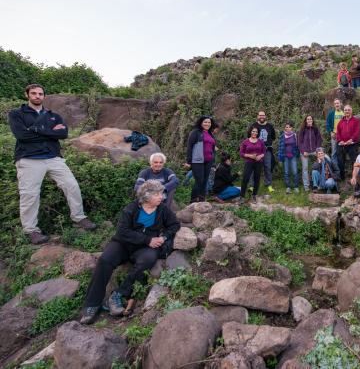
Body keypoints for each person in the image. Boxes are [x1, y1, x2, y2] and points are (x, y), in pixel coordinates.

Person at [80, 180, 180, 324]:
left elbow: (175, 225)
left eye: (161, 194)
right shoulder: (130, 209)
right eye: (157, 194)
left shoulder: (163, 209)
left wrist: (163, 237)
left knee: (148, 259)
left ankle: (117, 294)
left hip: (144, 248)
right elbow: (122, 232)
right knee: (105, 260)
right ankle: (92, 304)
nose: (162, 197)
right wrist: (147, 240)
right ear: (146, 196)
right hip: (123, 244)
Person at [8, 84, 96, 244]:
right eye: (33, 93)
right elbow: (22, 136)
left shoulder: (53, 116)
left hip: (53, 158)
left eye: (40, 94)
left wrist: (35, 129)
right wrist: (50, 132)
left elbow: (63, 133)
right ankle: (31, 231)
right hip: (29, 159)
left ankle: (79, 218)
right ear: (27, 94)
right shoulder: (16, 114)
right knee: (30, 195)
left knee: (72, 185)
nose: (37, 96)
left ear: (44, 96)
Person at [185, 115, 216, 203]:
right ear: (201, 123)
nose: (207, 124)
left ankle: (202, 199)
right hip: (197, 160)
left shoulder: (210, 134)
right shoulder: (195, 132)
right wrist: (188, 161)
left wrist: (213, 161)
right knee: (199, 180)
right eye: (205, 122)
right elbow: (189, 147)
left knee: (205, 180)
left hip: (208, 161)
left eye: (209, 122)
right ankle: (193, 200)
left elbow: (213, 149)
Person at [248, 111, 276, 193]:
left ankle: (269, 185)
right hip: (255, 151)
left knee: (268, 167)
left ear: (265, 116)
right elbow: (249, 136)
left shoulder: (270, 126)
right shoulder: (254, 125)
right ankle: (252, 186)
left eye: (263, 115)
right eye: (260, 115)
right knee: (253, 168)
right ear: (257, 116)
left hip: (267, 151)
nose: (262, 117)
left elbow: (273, 137)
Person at [240, 127, 266, 203]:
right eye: (253, 131)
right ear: (250, 132)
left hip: (258, 162)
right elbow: (241, 153)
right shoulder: (245, 142)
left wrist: (260, 156)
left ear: (258, 133)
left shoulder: (260, 142)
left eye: (256, 132)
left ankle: (254, 195)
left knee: (257, 179)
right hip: (249, 162)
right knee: (245, 178)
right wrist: (249, 155)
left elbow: (264, 152)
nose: (254, 133)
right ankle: (242, 196)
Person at [335, 105, 360, 180]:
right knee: (340, 160)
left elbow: (357, 132)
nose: (347, 111)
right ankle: (342, 177)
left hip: (352, 144)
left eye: (348, 110)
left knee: (354, 160)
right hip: (342, 144)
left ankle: (354, 177)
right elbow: (338, 132)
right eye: (345, 110)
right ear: (344, 111)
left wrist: (351, 139)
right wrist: (340, 140)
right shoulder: (341, 121)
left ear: (351, 111)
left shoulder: (356, 121)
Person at [298, 115, 323, 191]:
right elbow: (299, 142)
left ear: (312, 120)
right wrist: (303, 151)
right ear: (306, 120)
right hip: (305, 152)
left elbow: (319, 140)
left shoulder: (315, 129)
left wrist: (317, 150)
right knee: (305, 168)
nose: (309, 120)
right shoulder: (302, 129)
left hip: (314, 151)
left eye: (310, 119)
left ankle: (317, 184)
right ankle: (306, 186)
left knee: (318, 166)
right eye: (307, 119)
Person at [278, 121, 300, 194]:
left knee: (295, 172)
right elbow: (280, 147)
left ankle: (296, 187)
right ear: (285, 128)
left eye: (289, 127)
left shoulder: (295, 135)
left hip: (293, 156)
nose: (288, 128)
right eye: (286, 127)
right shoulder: (282, 136)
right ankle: (288, 187)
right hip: (285, 156)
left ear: (291, 128)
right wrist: (280, 158)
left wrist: (297, 154)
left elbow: (297, 146)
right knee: (286, 172)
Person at [325, 98, 344, 162]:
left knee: (341, 152)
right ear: (334, 105)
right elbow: (327, 123)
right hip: (334, 134)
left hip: (343, 135)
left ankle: (340, 167)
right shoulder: (331, 113)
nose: (336, 104)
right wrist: (331, 132)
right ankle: (334, 167)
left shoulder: (343, 113)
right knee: (334, 152)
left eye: (337, 103)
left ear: (340, 104)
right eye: (335, 103)